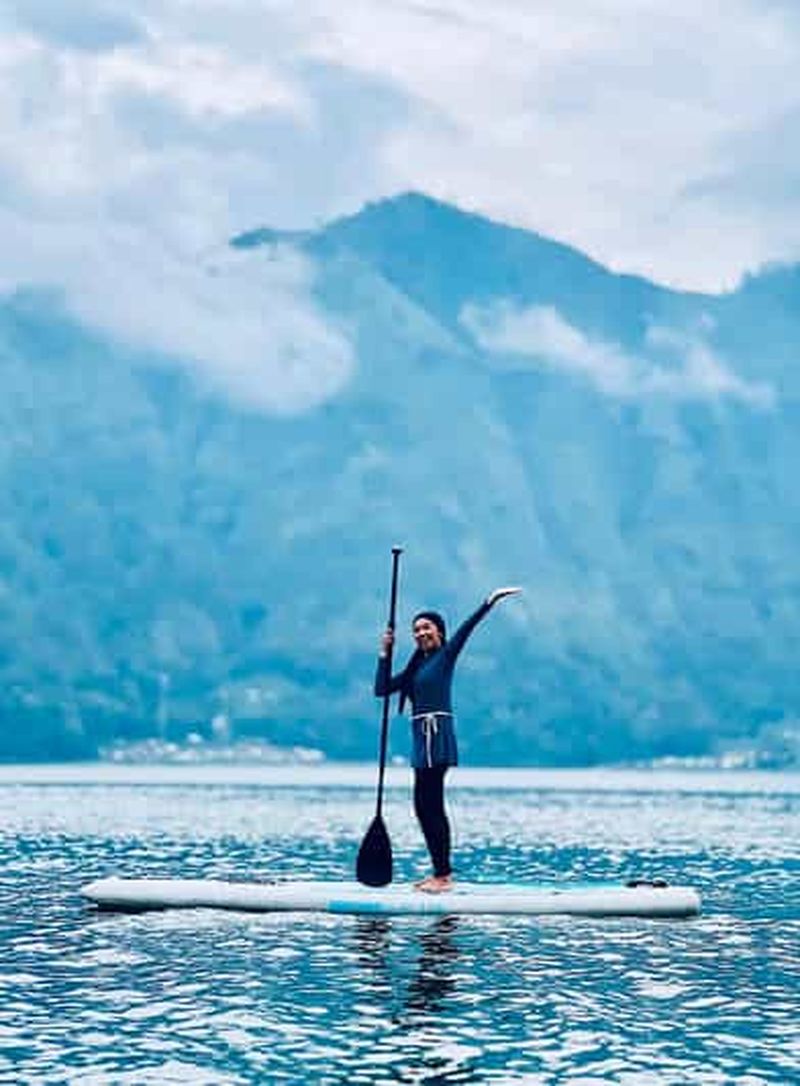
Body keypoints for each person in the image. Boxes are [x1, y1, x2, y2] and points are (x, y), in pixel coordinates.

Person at [374, 586, 522, 893]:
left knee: (431, 805)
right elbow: (381, 688)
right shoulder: (416, 666)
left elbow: (468, 628)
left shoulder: (446, 655)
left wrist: (489, 601)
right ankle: (439, 872)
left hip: (437, 736)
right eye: (416, 630)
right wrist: (384, 652)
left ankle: (443, 876)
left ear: (439, 631)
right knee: (422, 807)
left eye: (426, 627)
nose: (421, 633)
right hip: (421, 740)